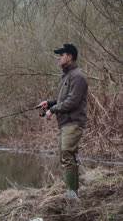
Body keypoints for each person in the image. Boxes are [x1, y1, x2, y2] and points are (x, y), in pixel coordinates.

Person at [38, 43, 88, 196]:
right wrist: (50, 103)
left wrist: (52, 110)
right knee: (67, 156)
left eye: (61, 55)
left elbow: (73, 101)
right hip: (65, 123)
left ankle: (71, 195)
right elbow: (63, 98)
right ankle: (72, 193)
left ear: (70, 57)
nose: (58, 58)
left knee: (66, 153)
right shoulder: (65, 76)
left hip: (73, 122)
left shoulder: (78, 76)